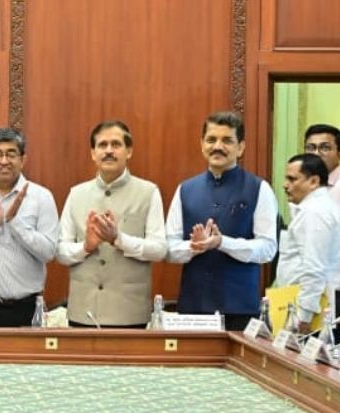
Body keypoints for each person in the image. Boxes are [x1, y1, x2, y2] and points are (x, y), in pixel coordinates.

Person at [166, 111, 278, 331]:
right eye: (211, 140)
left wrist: (222, 243)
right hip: (193, 309)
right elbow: (168, 248)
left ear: (241, 147)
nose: (218, 146)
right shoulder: (185, 189)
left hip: (240, 309)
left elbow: (268, 249)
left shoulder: (259, 188)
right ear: (202, 144)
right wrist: (193, 247)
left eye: (227, 140)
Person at [56, 120, 167, 328]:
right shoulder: (76, 194)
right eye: (102, 145)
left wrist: (119, 239)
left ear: (129, 151)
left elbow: (159, 249)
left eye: (116, 144)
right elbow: (61, 252)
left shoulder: (148, 192)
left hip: (129, 313)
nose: (108, 150)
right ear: (93, 153)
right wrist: (86, 247)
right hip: (83, 311)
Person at [0, 128, 59, 326]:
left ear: (23, 159)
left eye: (11, 154)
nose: (4, 161)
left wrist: (15, 222)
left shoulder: (41, 197)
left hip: (26, 309)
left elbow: (49, 252)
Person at [275, 153, 340, 332]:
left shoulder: (314, 212)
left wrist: (304, 316)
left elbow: (314, 267)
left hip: (314, 313)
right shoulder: (321, 208)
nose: (285, 185)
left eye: (292, 179)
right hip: (314, 304)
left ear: (313, 181)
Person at [303, 123, 340, 204]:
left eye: (325, 148)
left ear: (338, 152)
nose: (316, 153)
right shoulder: (303, 183)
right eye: (310, 148)